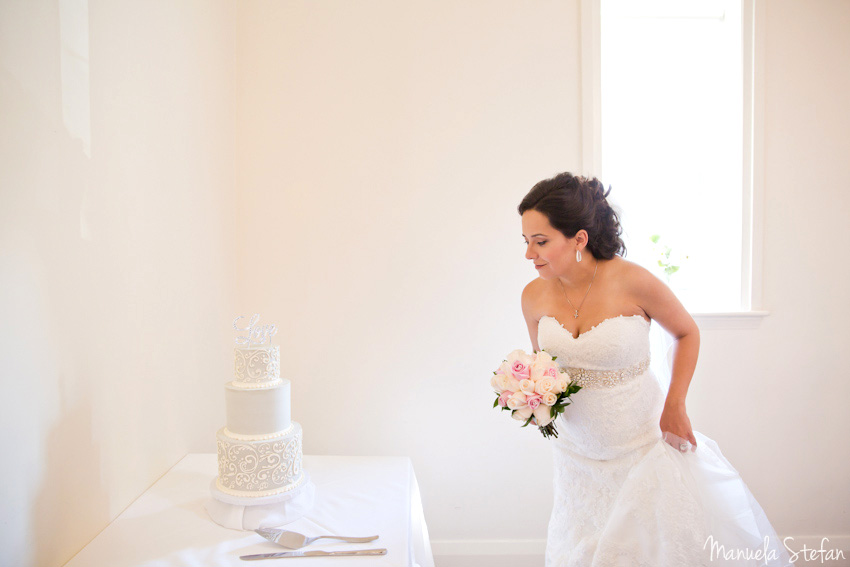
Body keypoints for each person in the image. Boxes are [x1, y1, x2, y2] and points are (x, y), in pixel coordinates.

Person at [519, 172, 794, 566]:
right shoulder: (532, 296)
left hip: (640, 444)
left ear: (579, 238)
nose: (530, 254)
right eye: (526, 241)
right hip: (575, 454)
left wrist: (676, 404)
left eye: (540, 241)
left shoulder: (634, 282)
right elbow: (542, 367)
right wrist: (530, 398)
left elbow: (687, 332)